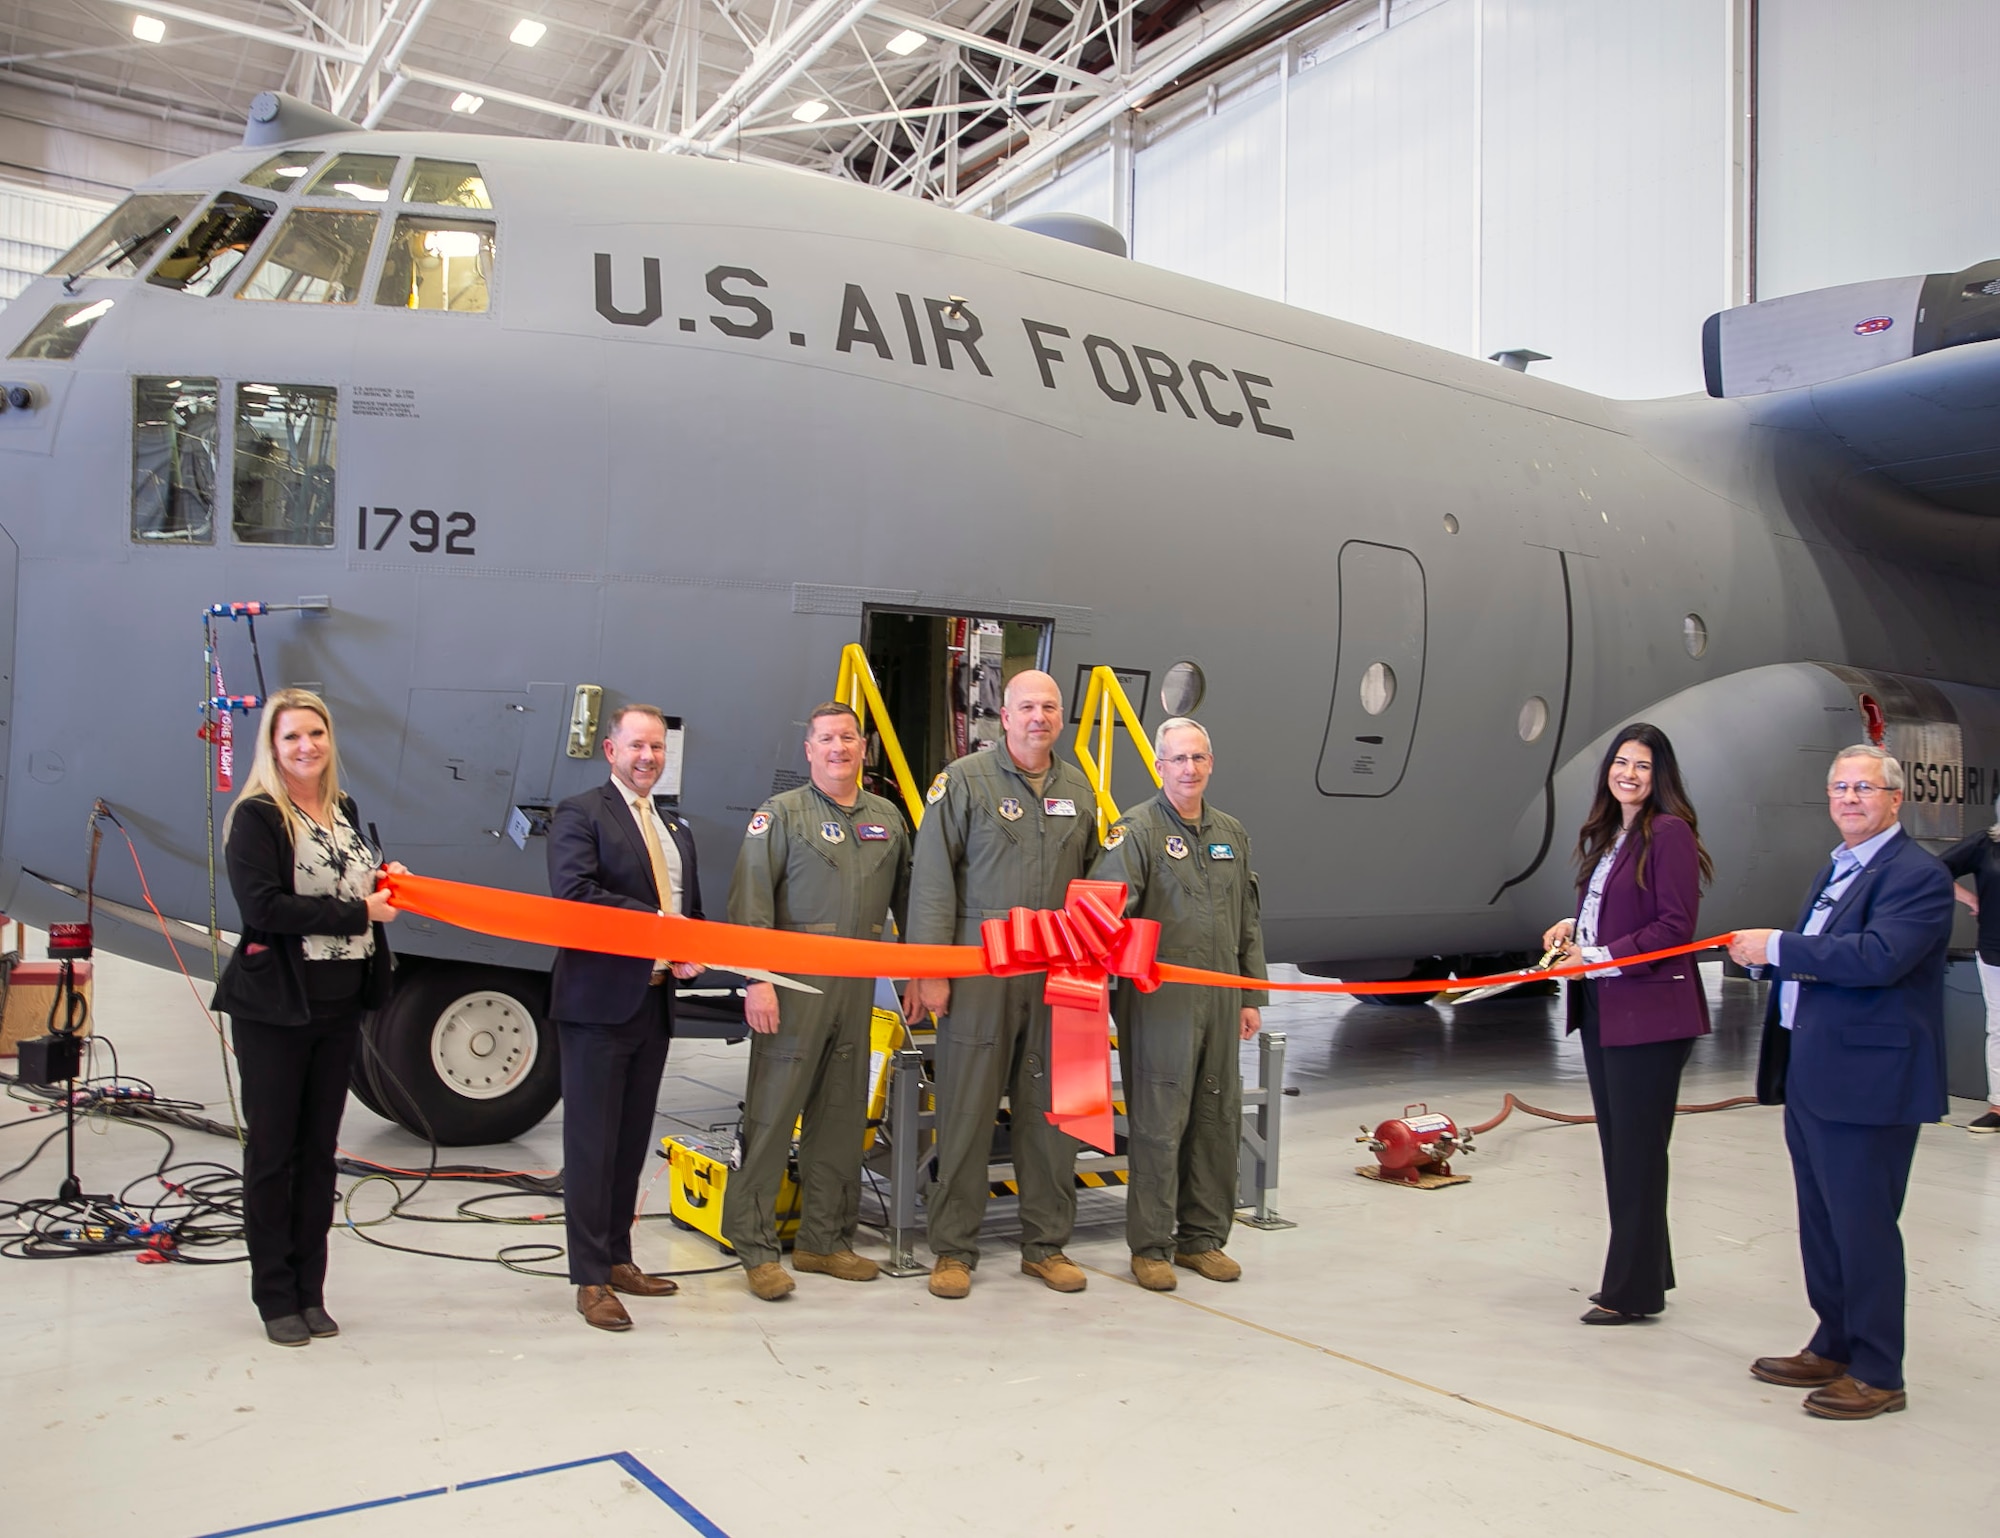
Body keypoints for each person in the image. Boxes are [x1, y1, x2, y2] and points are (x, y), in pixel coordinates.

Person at [1730, 743, 1956, 1419]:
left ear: (1895, 799)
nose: (1851, 798)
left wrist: (1778, 947)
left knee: (1863, 1226)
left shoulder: (1917, 875)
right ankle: (1834, 1342)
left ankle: (1881, 1371)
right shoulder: (1839, 868)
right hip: (1816, 1072)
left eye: (1865, 788)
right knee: (1822, 1221)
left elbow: (1880, 957)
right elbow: (1819, 959)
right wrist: (1767, 963)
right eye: (1840, 788)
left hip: (1871, 1080)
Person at [212, 689, 402, 1348]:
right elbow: (264, 908)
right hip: (276, 1008)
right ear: (273, 745)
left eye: (315, 734)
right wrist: (360, 913)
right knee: (274, 1154)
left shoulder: (343, 808)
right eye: (292, 737)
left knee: (320, 1155)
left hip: (339, 1002)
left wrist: (386, 883)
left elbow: (353, 880)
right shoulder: (258, 817)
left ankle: (310, 1290)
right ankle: (275, 1295)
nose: (306, 747)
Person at [904, 669, 1100, 1299]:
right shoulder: (963, 782)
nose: (1038, 716)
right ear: (1004, 717)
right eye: (1026, 707)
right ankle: (953, 1250)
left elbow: (1096, 886)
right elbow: (933, 879)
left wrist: (1096, 970)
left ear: (1061, 717)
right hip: (982, 973)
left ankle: (1045, 1246)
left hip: (1060, 977)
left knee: (1056, 1115)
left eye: (1049, 706)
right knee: (965, 1111)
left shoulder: (1081, 788)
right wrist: (933, 971)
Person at [723, 703, 912, 1300]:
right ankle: (754, 1247)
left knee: (840, 1116)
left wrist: (920, 974)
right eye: (827, 739)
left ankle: (824, 1242)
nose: (839, 748)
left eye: (849, 738)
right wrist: (757, 979)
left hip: (859, 988)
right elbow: (750, 900)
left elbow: (911, 901)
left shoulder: (888, 819)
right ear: (809, 750)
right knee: (773, 1115)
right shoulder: (779, 816)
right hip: (795, 986)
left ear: (864, 748)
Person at [1540, 724, 1712, 1326]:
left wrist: (1597, 957)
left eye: (1641, 765)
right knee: (1623, 1150)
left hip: (1650, 1016)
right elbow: (1620, 908)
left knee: (1637, 1153)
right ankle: (1649, 1270)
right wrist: (1575, 927)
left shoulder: (1668, 832)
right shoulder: (1615, 833)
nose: (1628, 774)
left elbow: (1673, 927)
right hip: (1608, 1013)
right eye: (1620, 762)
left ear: (1658, 775)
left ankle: (1632, 1291)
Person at [1089, 717, 1266, 1291]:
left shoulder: (1231, 833)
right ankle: (1151, 1246)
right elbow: (1105, 915)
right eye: (1178, 760)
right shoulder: (1134, 832)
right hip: (1159, 1000)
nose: (1189, 769)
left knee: (1216, 1119)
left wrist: (1250, 993)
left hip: (1220, 996)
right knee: (1160, 1123)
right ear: (1159, 766)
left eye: (1198, 758)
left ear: (1211, 763)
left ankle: (1202, 1239)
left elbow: (1247, 919)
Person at [546, 703, 704, 1332]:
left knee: (629, 1142)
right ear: (609, 750)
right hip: (596, 1006)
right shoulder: (580, 814)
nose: (648, 757)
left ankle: (616, 1258)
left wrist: (692, 949)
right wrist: (662, 928)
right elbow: (575, 896)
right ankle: (588, 1278)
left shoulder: (675, 828)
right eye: (636, 746)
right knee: (590, 1144)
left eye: (658, 748)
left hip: (653, 1000)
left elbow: (689, 908)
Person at [1941, 795, 2000, 1132]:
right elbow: (1934, 870)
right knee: (1999, 1028)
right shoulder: (1984, 844)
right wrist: (1970, 898)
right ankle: (1998, 1105)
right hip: (1995, 950)